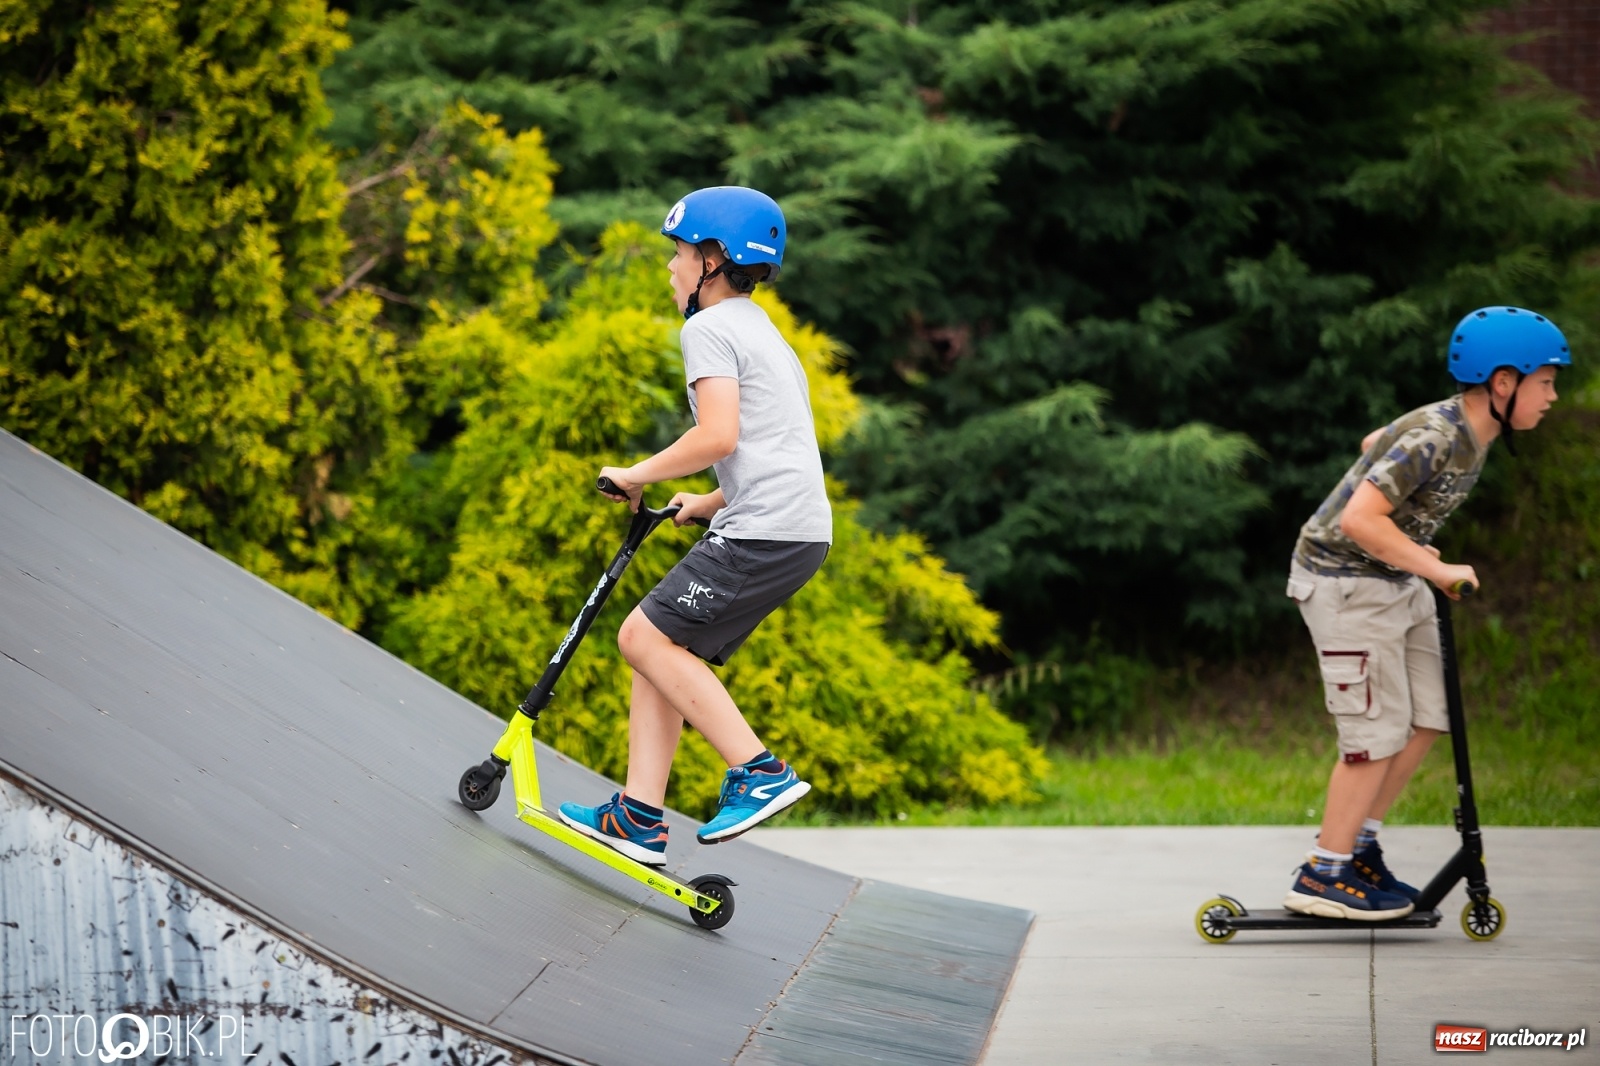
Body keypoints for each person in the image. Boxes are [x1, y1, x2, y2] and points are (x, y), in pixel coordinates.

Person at [557, 186, 833, 865]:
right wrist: (708, 502)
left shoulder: (707, 329)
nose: (672, 266)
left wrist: (637, 475)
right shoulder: (761, 332)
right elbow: (771, 443)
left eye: (677, 252)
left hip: (765, 528)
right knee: (661, 652)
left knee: (638, 636)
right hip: (790, 527)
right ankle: (637, 815)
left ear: (713, 259)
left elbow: (717, 436)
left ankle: (760, 771)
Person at [1283, 305, 1569, 919]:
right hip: (1345, 582)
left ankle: (1358, 848)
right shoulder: (1442, 433)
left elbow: (1374, 447)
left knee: (1430, 716)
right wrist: (1433, 566)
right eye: (1545, 381)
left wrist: (1410, 545)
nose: (1552, 396)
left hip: (1393, 576)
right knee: (1375, 732)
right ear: (1503, 383)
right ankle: (1322, 874)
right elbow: (1359, 519)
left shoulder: (1468, 430)